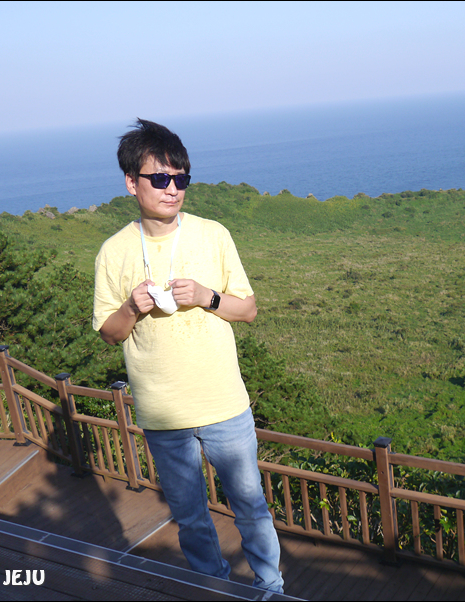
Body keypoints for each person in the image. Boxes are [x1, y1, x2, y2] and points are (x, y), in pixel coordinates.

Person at [92, 119, 283, 593]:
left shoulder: (213, 234)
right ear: (131, 182)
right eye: (160, 178)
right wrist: (131, 308)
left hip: (224, 404)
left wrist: (205, 297)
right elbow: (110, 334)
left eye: (181, 179)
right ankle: (214, 588)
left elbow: (248, 310)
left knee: (251, 508)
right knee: (190, 517)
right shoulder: (114, 252)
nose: (172, 189)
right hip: (163, 414)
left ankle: (270, 588)